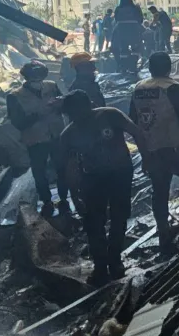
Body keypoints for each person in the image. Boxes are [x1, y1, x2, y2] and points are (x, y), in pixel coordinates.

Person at [61, 90, 148, 285]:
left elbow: (137, 133)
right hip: (92, 179)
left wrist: (146, 158)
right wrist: (74, 195)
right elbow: (70, 167)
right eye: (72, 114)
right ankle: (100, 267)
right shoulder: (68, 135)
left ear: (88, 105)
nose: (77, 117)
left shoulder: (110, 115)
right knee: (93, 223)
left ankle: (114, 261)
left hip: (120, 173)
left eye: (78, 111)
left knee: (119, 216)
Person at [130, 52, 179, 256]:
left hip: (154, 151)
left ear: (150, 68)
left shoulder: (138, 88)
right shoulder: (172, 88)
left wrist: (144, 151)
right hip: (178, 148)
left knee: (159, 192)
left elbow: (133, 120)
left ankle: (163, 234)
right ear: (169, 68)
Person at [7, 61, 70, 217]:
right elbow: (18, 122)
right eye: (33, 76)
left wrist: (60, 104)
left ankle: (64, 197)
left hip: (56, 134)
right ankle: (46, 200)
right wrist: (37, 115)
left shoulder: (51, 86)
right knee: (39, 172)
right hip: (35, 139)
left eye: (39, 76)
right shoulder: (15, 96)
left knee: (62, 168)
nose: (37, 80)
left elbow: (64, 106)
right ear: (26, 77)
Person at [111, 0, 144, 73]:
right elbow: (140, 19)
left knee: (123, 48)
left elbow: (116, 19)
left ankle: (123, 67)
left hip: (121, 30)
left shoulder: (118, 8)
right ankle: (133, 66)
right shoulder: (136, 8)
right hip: (134, 29)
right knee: (135, 48)